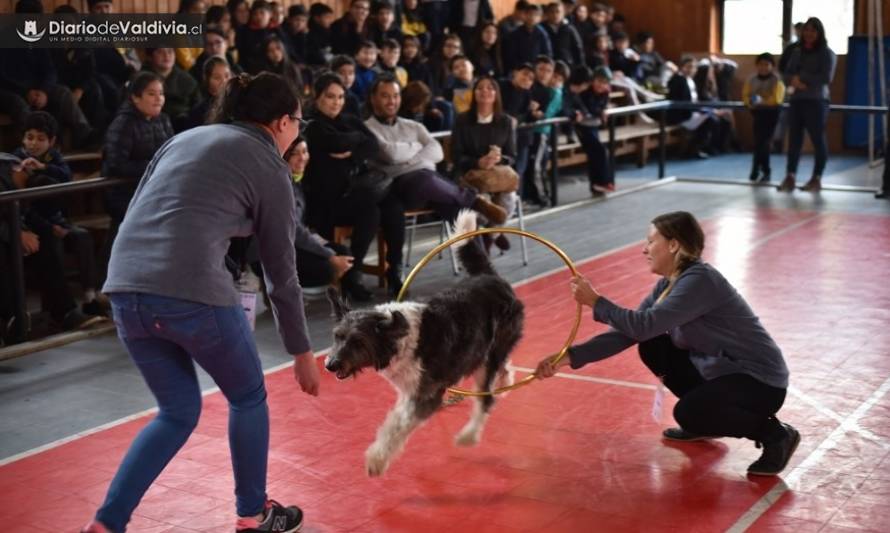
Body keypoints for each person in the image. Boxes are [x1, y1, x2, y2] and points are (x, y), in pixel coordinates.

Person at [80, 72, 317, 533]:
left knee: (177, 412)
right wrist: (302, 351)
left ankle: (107, 523)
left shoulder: (183, 138)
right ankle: (253, 515)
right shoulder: (269, 163)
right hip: (191, 292)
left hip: (125, 287)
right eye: (299, 124)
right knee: (248, 397)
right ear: (283, 122)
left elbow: (148, 210)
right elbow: (281, 274)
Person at [535, 211, 800, 477]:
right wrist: (567, 357)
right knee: (653, 345)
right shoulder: (669, 283)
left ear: (673, 245)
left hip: (760, 382)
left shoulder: (700, 280)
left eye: (650, 241)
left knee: (688, 413)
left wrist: (596, 302)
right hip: (724, 373)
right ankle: (706, 418)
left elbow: (643, 324)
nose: (644, 249)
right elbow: (628, 332)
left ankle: (775, 435)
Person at [302, 73, 404, 301]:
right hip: (328, 200)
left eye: (340, 97)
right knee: (370, 210)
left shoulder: (350, 120)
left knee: (393, 206)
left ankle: (394, 269)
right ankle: (350, 274)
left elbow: (373, 145)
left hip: (357, 191)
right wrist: (357, 141)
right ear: (317, 97)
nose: (336, 102)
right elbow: (334, 142)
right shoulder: (311, 124)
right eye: (330, 97)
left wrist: (353, 148)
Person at [364, 75, 508, 227]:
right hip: (398, 187)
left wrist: (407, 158)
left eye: (395, 96)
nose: (392, 101)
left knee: (458, 211)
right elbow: (391, 154)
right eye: (385, 96)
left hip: (432, 185)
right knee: (424, 179)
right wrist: (418, 146)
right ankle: (474, 200)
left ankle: (476, 249)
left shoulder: (413, 125)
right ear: (373, 98)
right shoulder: (367, 128)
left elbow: (437, 152)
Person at [12, 112, 105, 317]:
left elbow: (67, 177)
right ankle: (57, 311)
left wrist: (43, 167)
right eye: (29, 137)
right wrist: (49, 226)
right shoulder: (16, 159)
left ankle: (90, 296)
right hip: (33, 223)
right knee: (53, 242)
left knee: (82, 237)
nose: (33, 144)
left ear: (52, 141)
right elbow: (23, 207)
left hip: (58, 219)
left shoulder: (52, 158)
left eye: (41, 139)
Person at [101, 72, 174, 278]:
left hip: (154, 191)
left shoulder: (164, 120)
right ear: (135, 97)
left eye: (161, 93)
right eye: (151, 93)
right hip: (125, 193)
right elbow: (116, 164)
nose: (158, 98)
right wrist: (154, 166)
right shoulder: (123, 123)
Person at [451, 76, 519, 253]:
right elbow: (456, 155)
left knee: (509, 199)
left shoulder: (505, 121)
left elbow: (512, 155)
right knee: (482, 205)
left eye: (490, 88)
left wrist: (499, 159)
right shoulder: (462, 120)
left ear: (496, 94)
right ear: (474, 93)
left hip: (497, 176)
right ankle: (494, 233)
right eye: (480, 88)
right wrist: (478, 162)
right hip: (471, 174)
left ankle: (490, 236)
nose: (485, 91)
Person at [284, 138, 354, 288]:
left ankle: (346, 300)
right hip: (277, 248)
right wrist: (329, 256)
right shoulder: (282, 184)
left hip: (295, 240)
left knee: (344, 252)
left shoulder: (298, 179)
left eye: (304, 151)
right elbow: (294, 230)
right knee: (327, 268)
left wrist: (323, 245)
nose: (302, 158)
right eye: (294, 153)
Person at [777, 17, 836, 193]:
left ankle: (817, 178)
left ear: (819, 33)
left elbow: (826, 78)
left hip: (816, 101)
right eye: (806, 30)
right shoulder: (797, 51)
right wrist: (792, 80)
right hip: (796, 101)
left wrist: (802, 79)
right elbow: (786, 73)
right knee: (794, 140)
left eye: (813, 30)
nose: (809, 34)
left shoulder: (827, 53)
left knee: (818, 140)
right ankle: (790, 176)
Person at [743, 53, 785, 183]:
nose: (764, 67)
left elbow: (777, 99)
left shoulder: (777, 80)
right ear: (757, 65)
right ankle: (758, 169)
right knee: (759, 143)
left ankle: (763, 170)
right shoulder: (751, 80)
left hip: (772, 114)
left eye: (767, 64)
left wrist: (762, 102)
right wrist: (751, 103)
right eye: (761, 64)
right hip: (757, 114)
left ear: (772, 66)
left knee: (765, 143)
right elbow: (746, 96)